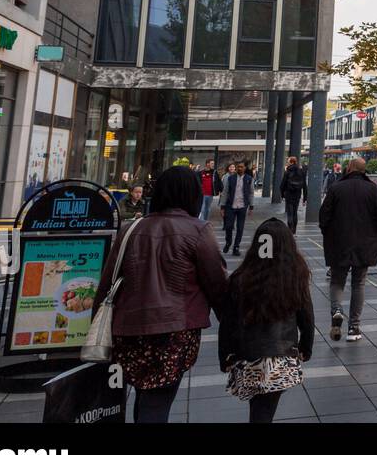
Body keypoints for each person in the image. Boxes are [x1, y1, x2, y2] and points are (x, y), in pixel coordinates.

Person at [93, 165, 227, 423]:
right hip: (173, 330)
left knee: (145, 393)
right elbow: (218, 284)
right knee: (158, 399)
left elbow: (106, 283)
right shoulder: (197, 230)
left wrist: (96, 326)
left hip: (128, 328)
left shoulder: (131, 229)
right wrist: (233, 327)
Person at [218, 218, 315, 423]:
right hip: (281, 357)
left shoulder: (241, 277)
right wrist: (306, 347)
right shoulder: (295, 275)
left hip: (248, 356)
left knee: (259, 407)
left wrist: (225, 354)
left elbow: (228, 322)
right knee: (264, 410)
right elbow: (307, 317)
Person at [318, 157, 377, 342]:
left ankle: (336, 310)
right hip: (364, 243)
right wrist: (375, 236)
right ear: (364, 171)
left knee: (337, 281)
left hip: (339, 242)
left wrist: (329, 233)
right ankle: (354, 328)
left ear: (349, 168)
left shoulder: (336, 188)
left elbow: (324, 216)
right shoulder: (372, 189)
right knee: (359, 283)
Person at [223, 162, 254, 257]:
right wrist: (222, 206)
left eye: (242, 167)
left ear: (245, 168)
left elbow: (251, 193)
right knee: (228, 226)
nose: (240, 168)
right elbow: (225, 192)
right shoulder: (230, 178)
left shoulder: (249, 179)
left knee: (240, 228)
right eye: (238, 167)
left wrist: (251, 206)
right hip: (231, 206)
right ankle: (228, 242)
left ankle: (236, 246)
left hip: (242, 207)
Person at [280, 157, 306, 232]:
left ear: (291, 162)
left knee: (290, 213)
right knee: (295, 212)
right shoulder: (301, 171)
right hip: (297, 195)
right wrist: (305, 198)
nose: (287, 163)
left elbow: (282, 184)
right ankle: (294, 230)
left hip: (289, 194)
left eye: (288, 162)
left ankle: (290, 229)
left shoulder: (287, 171)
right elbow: (304, 185)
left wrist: (282, 195)